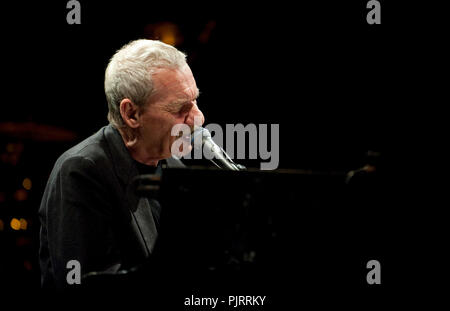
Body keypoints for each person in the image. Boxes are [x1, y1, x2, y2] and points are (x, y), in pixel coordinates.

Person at [39, 39, 205, 289]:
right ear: (131, 114)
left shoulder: (174, 167)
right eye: (180, 109)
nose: (198, 119)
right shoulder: (81, 171)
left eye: (195, 101)